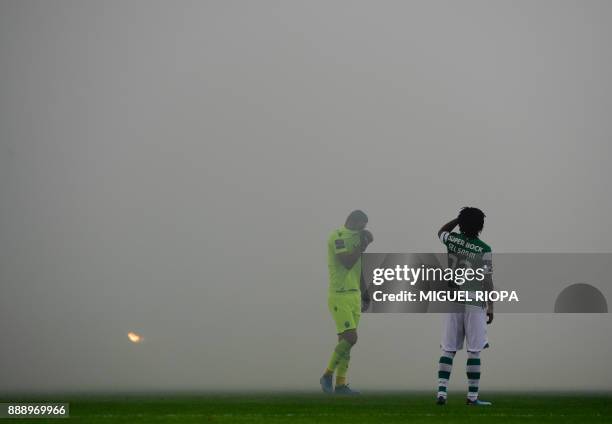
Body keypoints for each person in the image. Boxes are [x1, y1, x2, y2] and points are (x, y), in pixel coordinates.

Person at [436, 207, 494, 406]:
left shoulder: (452, 240)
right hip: (473, 300)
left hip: (452, 298)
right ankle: (472, 397)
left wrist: (458, 220)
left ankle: (442, 392)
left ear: (461, 224)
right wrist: (491, 305)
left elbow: (441, 231)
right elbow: (487, 280)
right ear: (481, 226)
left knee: (448, 348)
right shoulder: (485, 249)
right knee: (474, 350)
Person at [320, 210, 373, 395]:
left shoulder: (359, 238)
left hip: (354, 295)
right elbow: (347, 262)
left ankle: (341, 384)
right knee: (351, 338)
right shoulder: (337, 236)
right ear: (353, 220)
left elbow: (358, 268)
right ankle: (327, 374)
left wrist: (365, 293)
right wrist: (362, 245)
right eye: (362, 225)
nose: (364, 229)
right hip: (339, 295)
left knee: (346, 342)